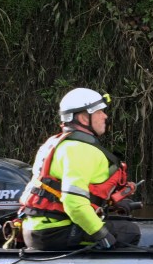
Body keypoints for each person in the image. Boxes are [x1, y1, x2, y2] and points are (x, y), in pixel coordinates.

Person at [18, 87, 141, 251]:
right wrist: (102, 235)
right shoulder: (80, 150)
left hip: (37, 229)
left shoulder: (55, 143)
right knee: (130, 232)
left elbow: (69, 193)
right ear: (84, 118)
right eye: (99, 112)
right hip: (55, 232)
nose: (105, 116)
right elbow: (73, 203)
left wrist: (110, 204)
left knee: (118, 225)